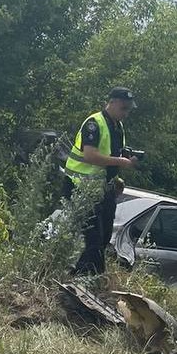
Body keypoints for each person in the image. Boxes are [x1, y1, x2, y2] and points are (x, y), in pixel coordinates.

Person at [62, 86, 139, 275]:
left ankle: (79, 273)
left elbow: (110, 158)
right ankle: (93, 278)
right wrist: (121, 161)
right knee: (93, 238)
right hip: (80, 187)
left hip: (103, 188)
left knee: (104, 237)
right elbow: (91, 156)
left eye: (129, 109)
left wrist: (118, 178)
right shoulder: (94, 123)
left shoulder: (117, 127)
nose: (126, 113)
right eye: (123, 108)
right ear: (111, 103)